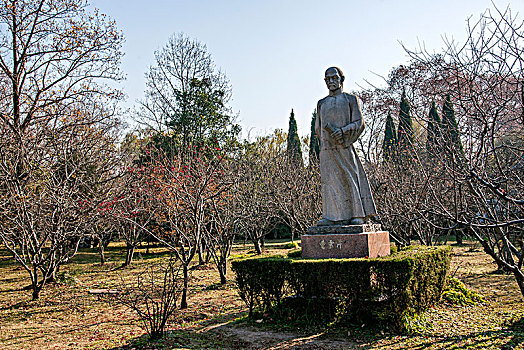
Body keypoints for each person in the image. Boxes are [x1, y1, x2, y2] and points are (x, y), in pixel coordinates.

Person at [315, 67, 376, 226]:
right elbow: (318, 127)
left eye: (334, 78)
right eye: (327, 79)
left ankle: (357, 215)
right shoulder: (321, 103)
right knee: (330, 181)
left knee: (350, 177)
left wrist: (343, 132)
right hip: (327, 149)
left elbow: (359, 123)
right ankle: (331, 216)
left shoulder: (350, 99)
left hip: (345, 146)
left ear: (341, 79)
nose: (331, 82)